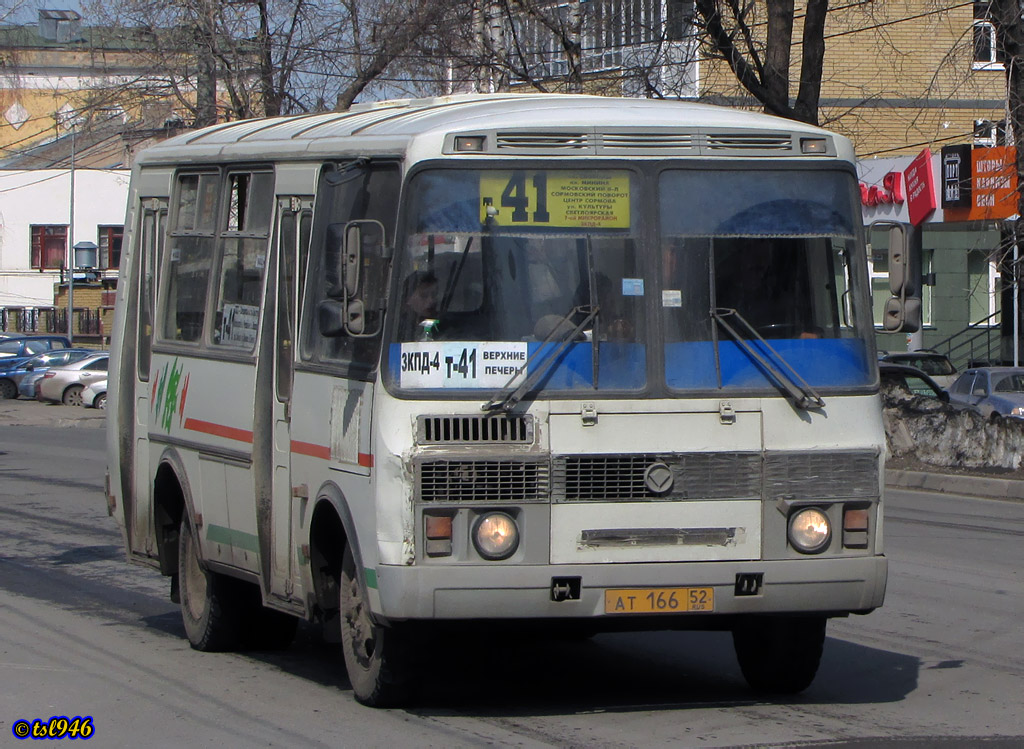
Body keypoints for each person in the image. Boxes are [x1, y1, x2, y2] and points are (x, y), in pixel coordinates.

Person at [398, 270, 441, 341]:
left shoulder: (442, 326)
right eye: (424, 295)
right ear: (408, 299)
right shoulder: (396, 329)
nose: (431, 301)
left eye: (434, 295)